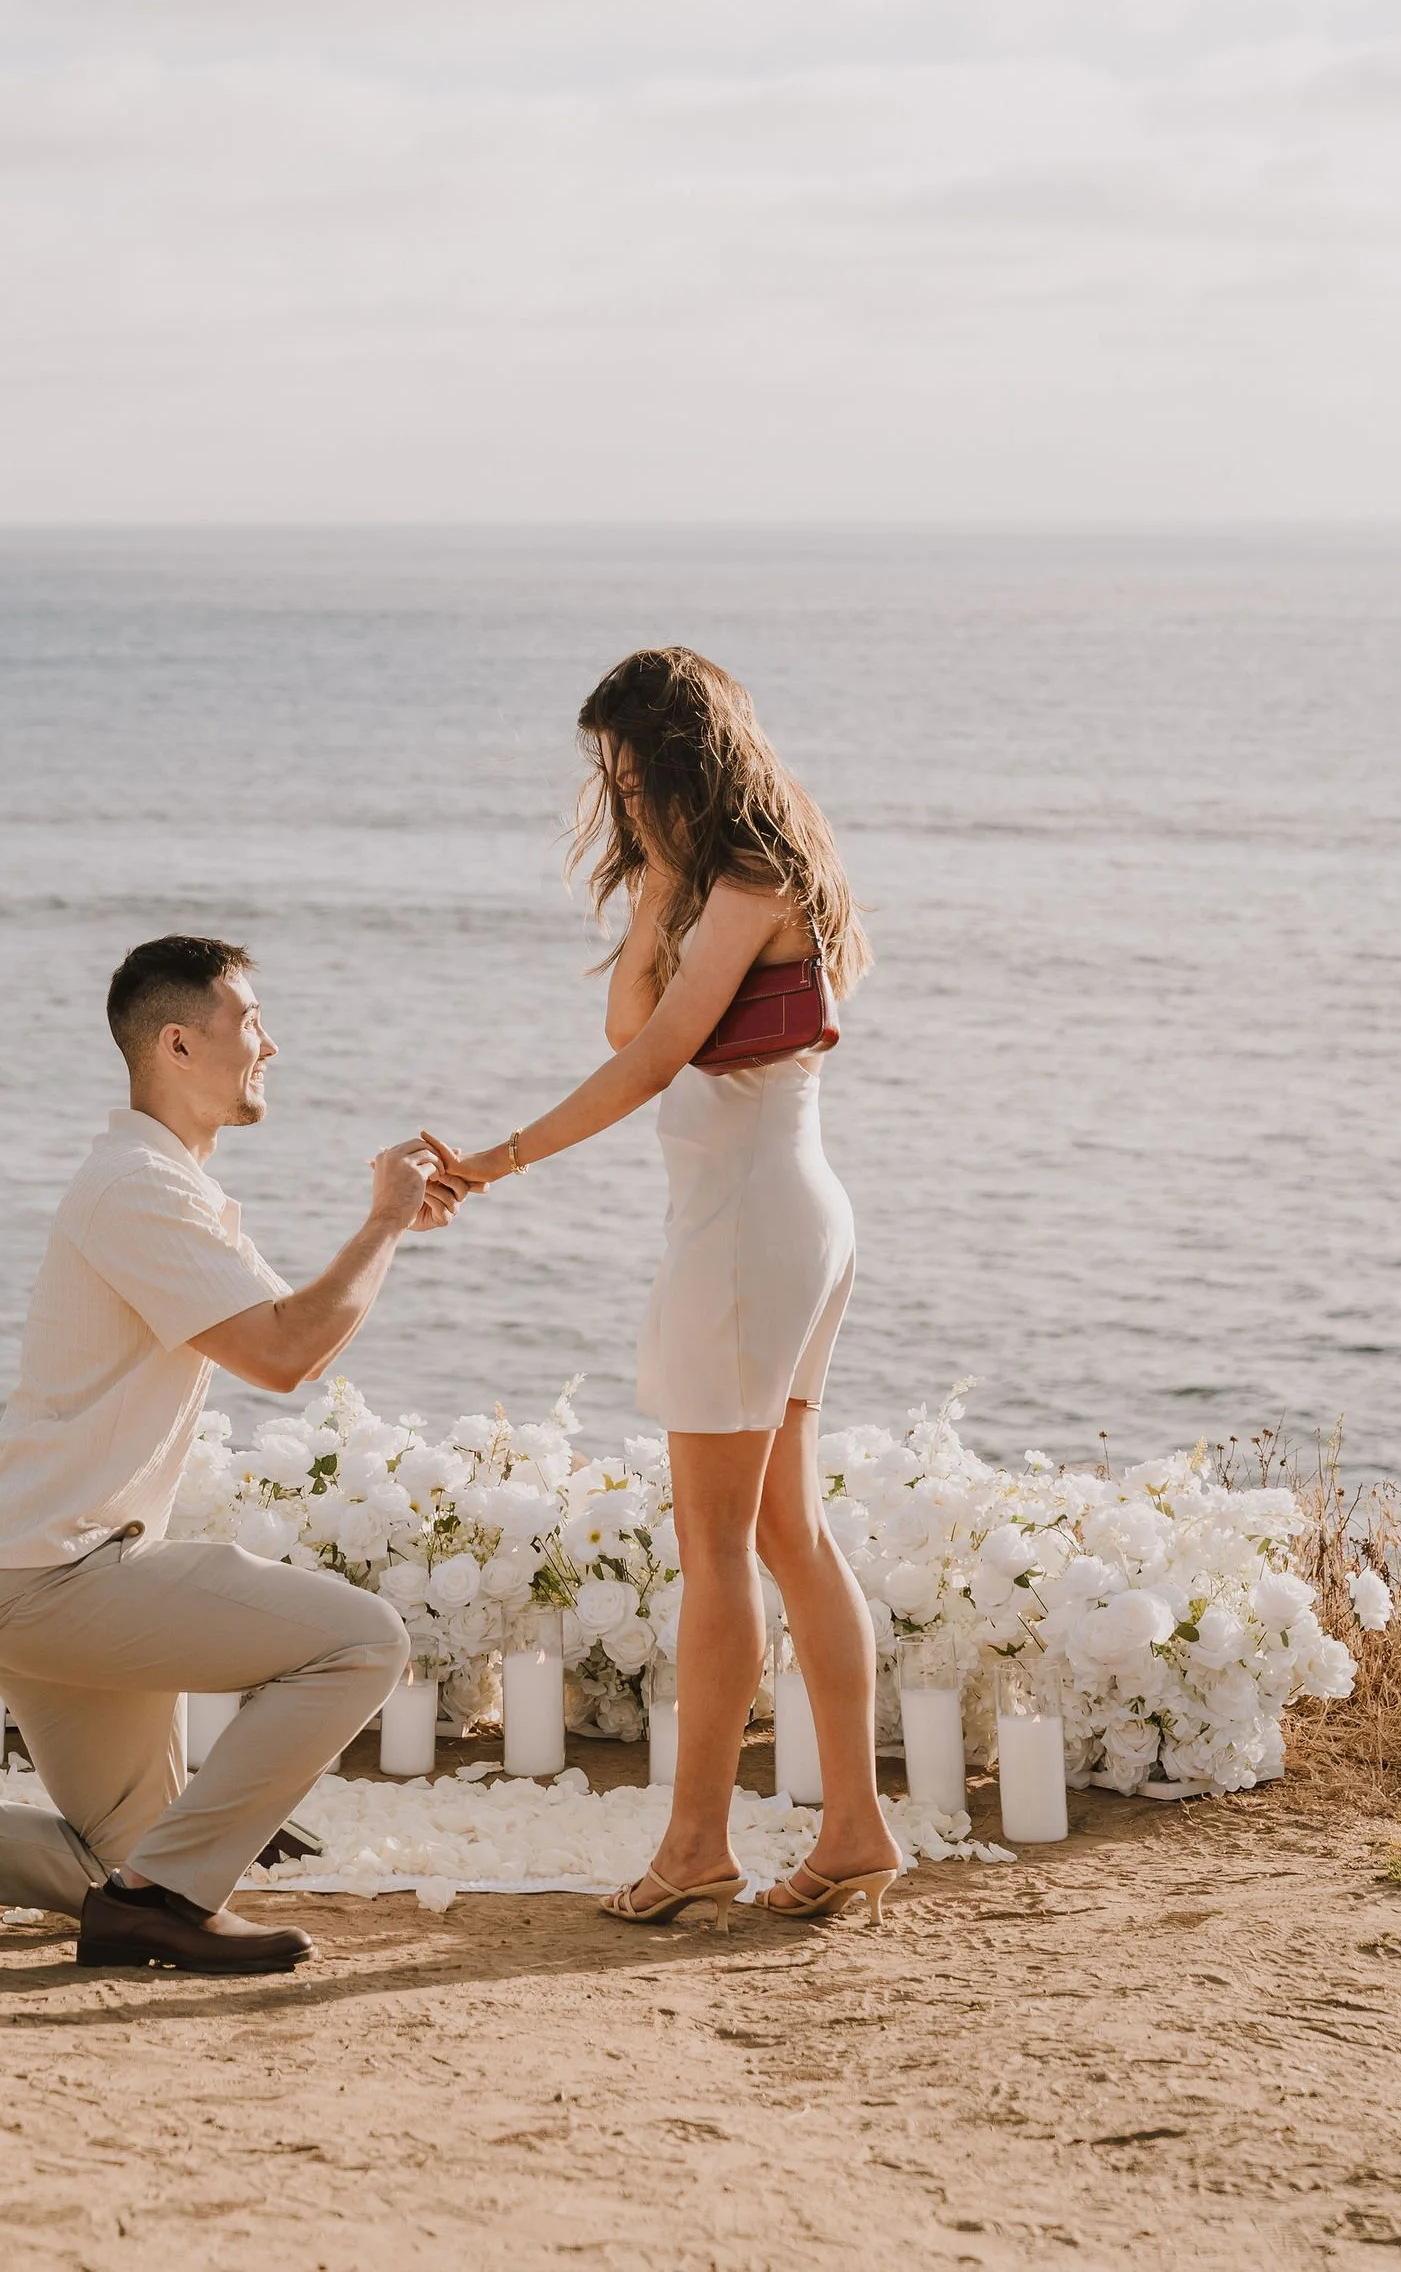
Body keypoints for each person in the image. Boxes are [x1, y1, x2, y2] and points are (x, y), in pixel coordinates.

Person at [0, 934, 463, 1974]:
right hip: (61, 1577)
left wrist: (390, 1230)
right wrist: (381, 1221)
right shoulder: (139, 1189)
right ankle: (165, 1901)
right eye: (251, 1024)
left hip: (36, 1574)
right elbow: (282, 1354)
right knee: (361, 1643)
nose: (272, 1044)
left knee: (125, 1862)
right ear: (178, 1043)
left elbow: (295, 1336)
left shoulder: (164, 1184)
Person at [427, 647, 898, 1928]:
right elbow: (627, 1021)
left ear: (691, 762)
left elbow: (649, 1064)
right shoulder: (720, 879)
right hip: (782, 1215)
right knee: (787, 1535)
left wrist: (495, 1160)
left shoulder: (752, 880)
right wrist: (654, 891)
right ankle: (852, 1831)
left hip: (749, 1233)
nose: (623, 803)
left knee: (716, 1553)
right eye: (612, 783)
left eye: (638, 780)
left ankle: (695, 1845)